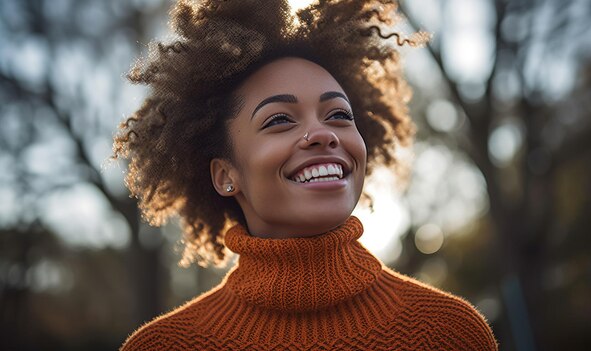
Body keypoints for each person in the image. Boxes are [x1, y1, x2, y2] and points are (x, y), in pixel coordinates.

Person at [113, 0, 498, 349]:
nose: (324, 134)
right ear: (225, 174)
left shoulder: (451, 333)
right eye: (280, 120)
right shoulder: (163, 346)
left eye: (339, 115)